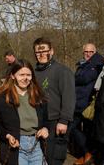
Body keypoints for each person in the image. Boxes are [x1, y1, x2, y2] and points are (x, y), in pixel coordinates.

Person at [0, 59, 49, 165]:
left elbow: (46, 120)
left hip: (36, 144)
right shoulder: (2, 99)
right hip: (16, 146)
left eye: (28, 75)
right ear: (13, 76)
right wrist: (7, 136)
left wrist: (45, 128)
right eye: (21, 75)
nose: (25, 78)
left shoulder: (38, 96)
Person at [33, 37, 75, 165]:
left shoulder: (62, 71)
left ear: (51, 51)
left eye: (44, 51)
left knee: (53, 158)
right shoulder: (33, 72)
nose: (41, 54)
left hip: (56, 121)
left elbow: (69, 97)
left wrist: (64, 120)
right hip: (38, 120)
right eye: (38, 52)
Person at [70, 43, 104, 165]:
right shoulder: (83, 64)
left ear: (95, 52)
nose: (88, 54)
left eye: (91, 52)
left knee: (73, 128)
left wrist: (72, 79)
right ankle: (86, 155)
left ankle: (88, 154)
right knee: (81, 130)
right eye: (86, 52)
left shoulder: (97, 64)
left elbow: (84, 78)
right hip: (79, 101)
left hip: (86, 103)